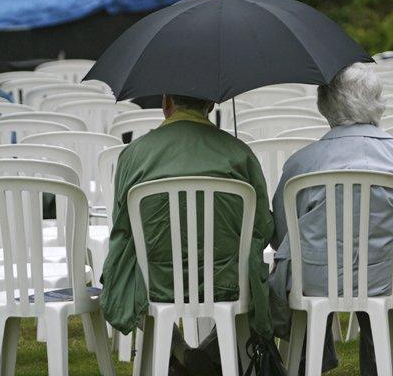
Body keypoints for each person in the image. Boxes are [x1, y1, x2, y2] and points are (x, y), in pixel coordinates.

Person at [269, 62, 393, 375]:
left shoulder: (301, 164)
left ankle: (309, 363)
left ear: (325, 104)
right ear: (377, 101)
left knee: (302, 267)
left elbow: (281, 235)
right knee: (375, 278)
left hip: (314, 282)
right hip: (383, 279)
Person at [100, 94, 275, 373]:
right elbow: (264, 227)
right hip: (227, 280)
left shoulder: (133, 154)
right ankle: (208, 355)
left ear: (166, 102)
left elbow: (123, 225)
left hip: (153, 282)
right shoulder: (239, 153)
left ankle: (179, 351)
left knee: (128, 269)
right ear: (211, 104)